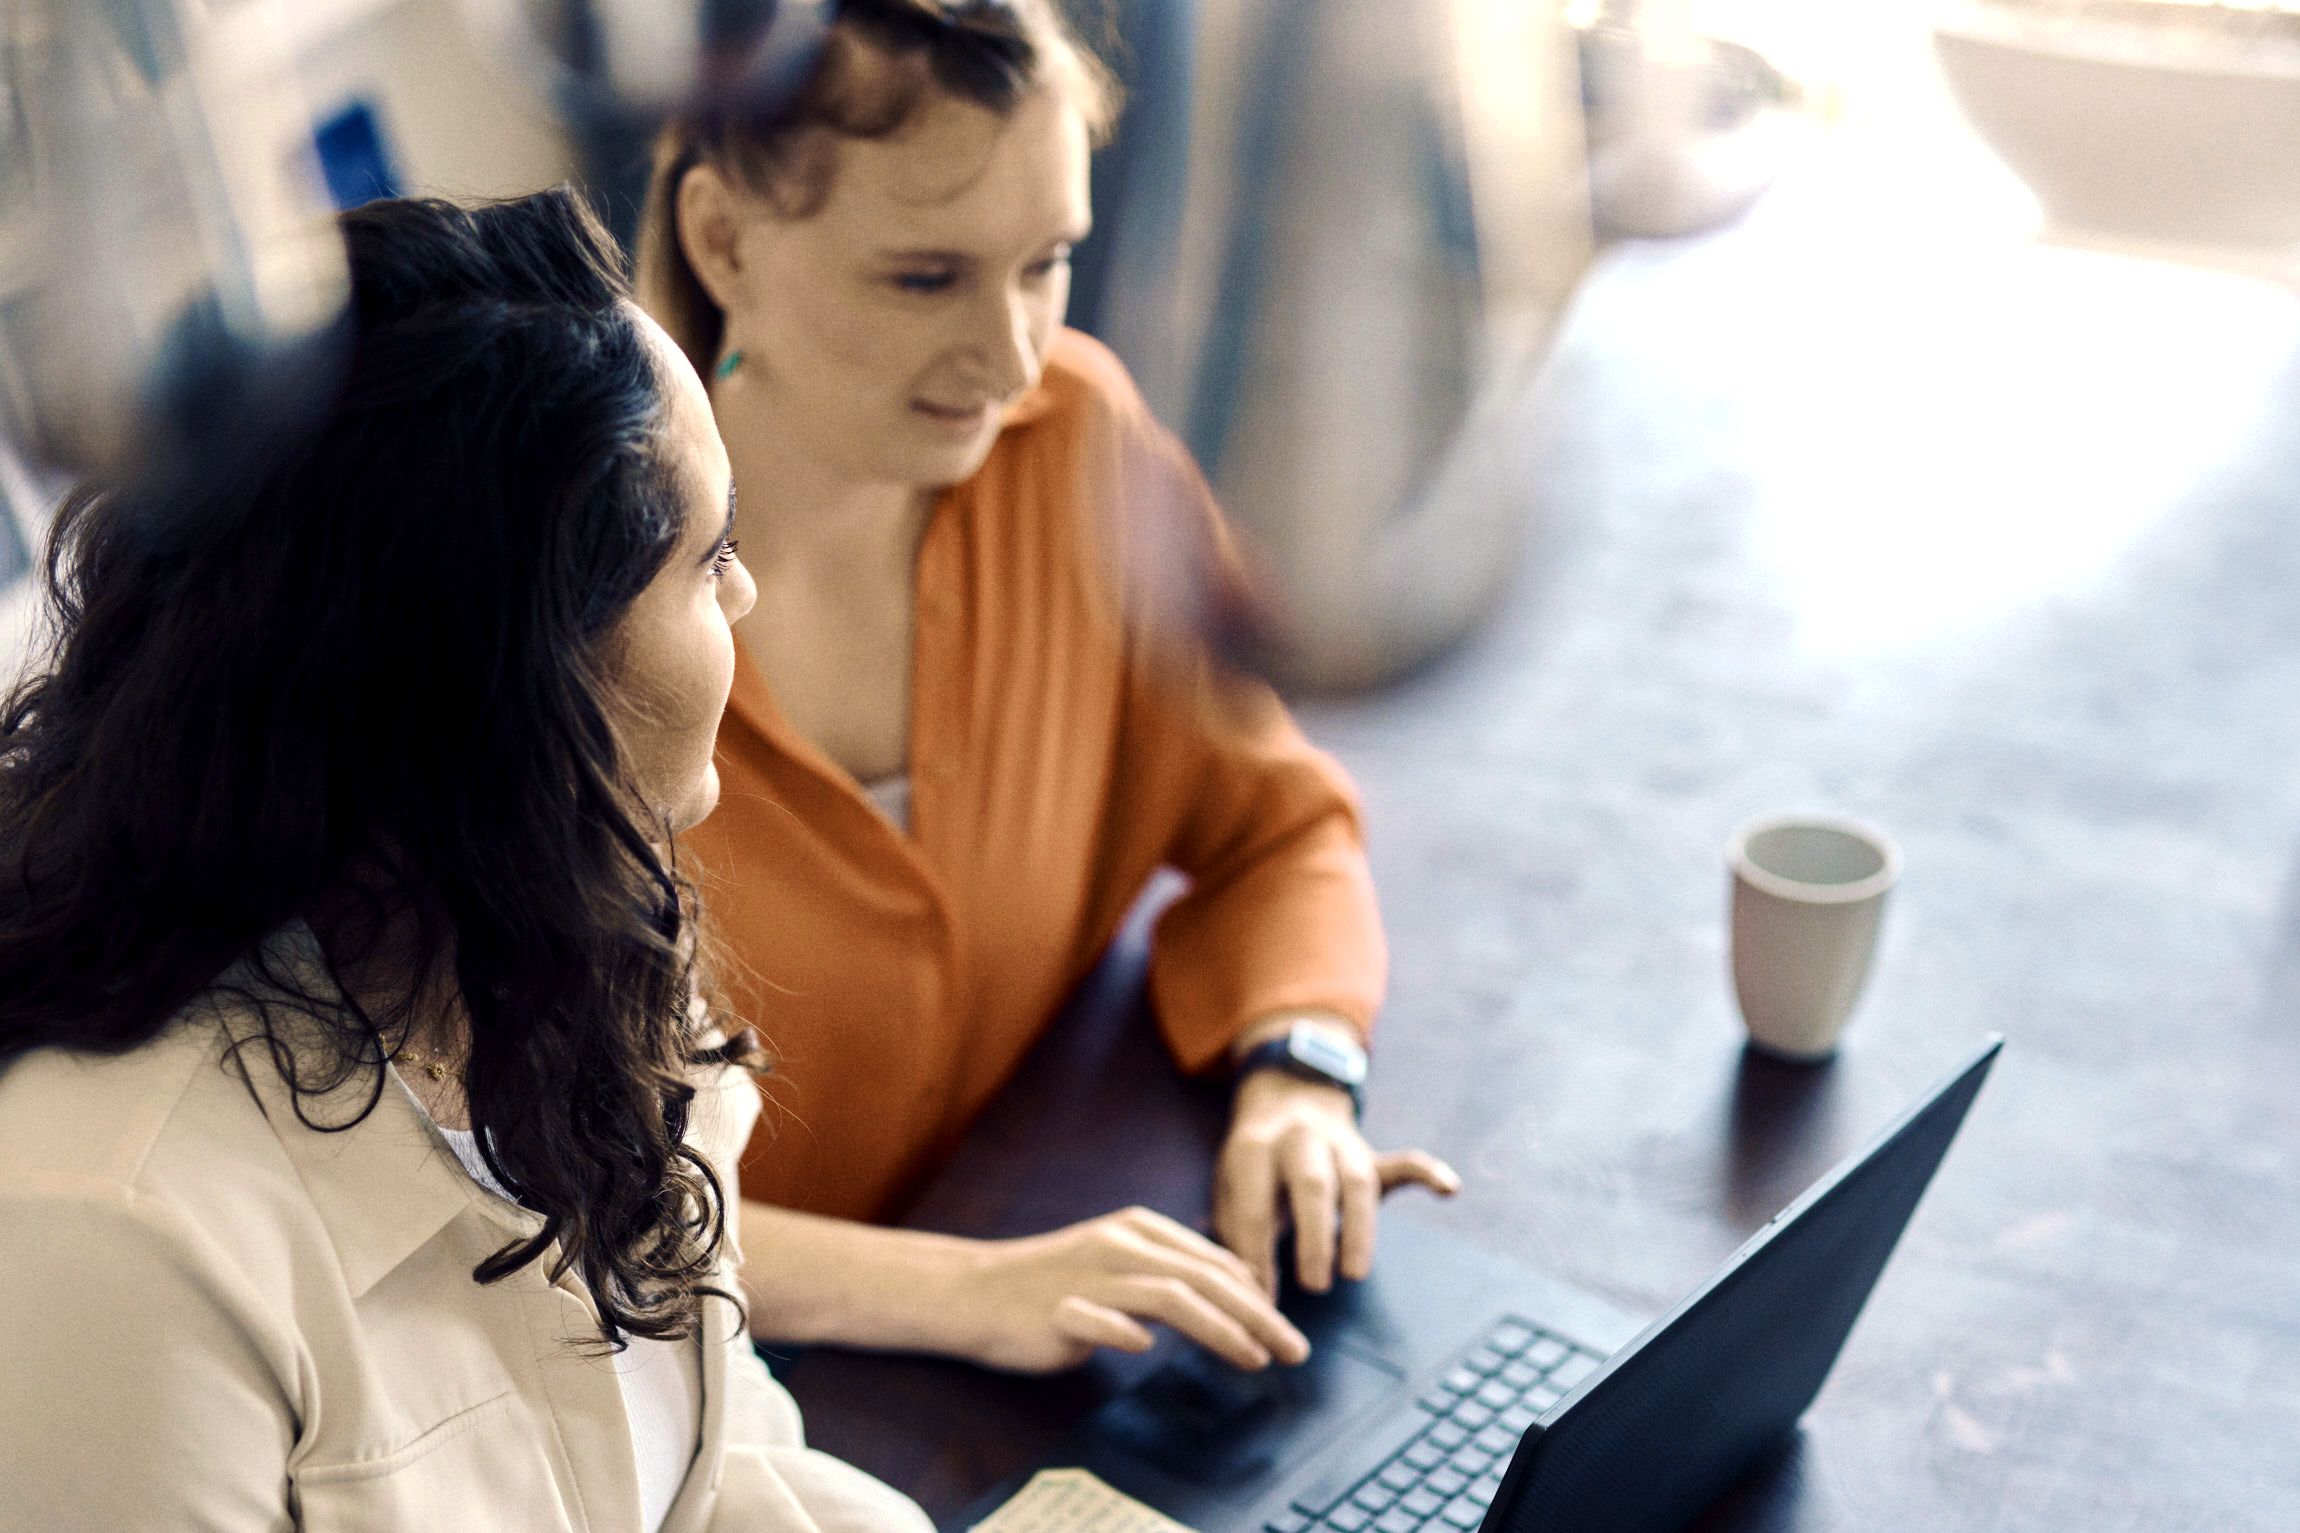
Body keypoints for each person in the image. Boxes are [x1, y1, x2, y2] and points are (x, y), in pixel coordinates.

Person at [0, 188, 927, 1533]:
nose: (746, 596)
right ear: (511, 692)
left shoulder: (566, 954)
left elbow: (716, 1466)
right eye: (707, 555)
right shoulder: (111, 1231)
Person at [636, 0, 1459, 1375]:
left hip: (1034, 1320)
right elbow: (535, 1187)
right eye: (925, 277)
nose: (1013, 355)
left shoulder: (1079, 441)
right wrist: (967, 1288)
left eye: (1048, 263)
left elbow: (1277, 826)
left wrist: (1300, 1074)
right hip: (693, 1403)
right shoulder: (566, 599)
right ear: (725, 240)